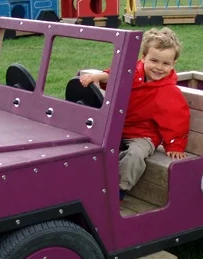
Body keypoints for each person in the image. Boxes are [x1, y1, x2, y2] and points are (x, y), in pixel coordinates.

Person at [80, 27, 190, 199]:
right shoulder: (132, 73)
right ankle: (86, 179)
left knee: (135, 155)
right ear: (143, 58)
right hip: (118, 125)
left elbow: (176, 120)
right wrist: (100, 77)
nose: (159, 68)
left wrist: (175, 144)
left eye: (166, 63)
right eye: (154, 60)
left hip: (143, 134)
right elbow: (115, 74)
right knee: (87, 138)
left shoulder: (168, 91)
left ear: (173, 64)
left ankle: (118, 189)